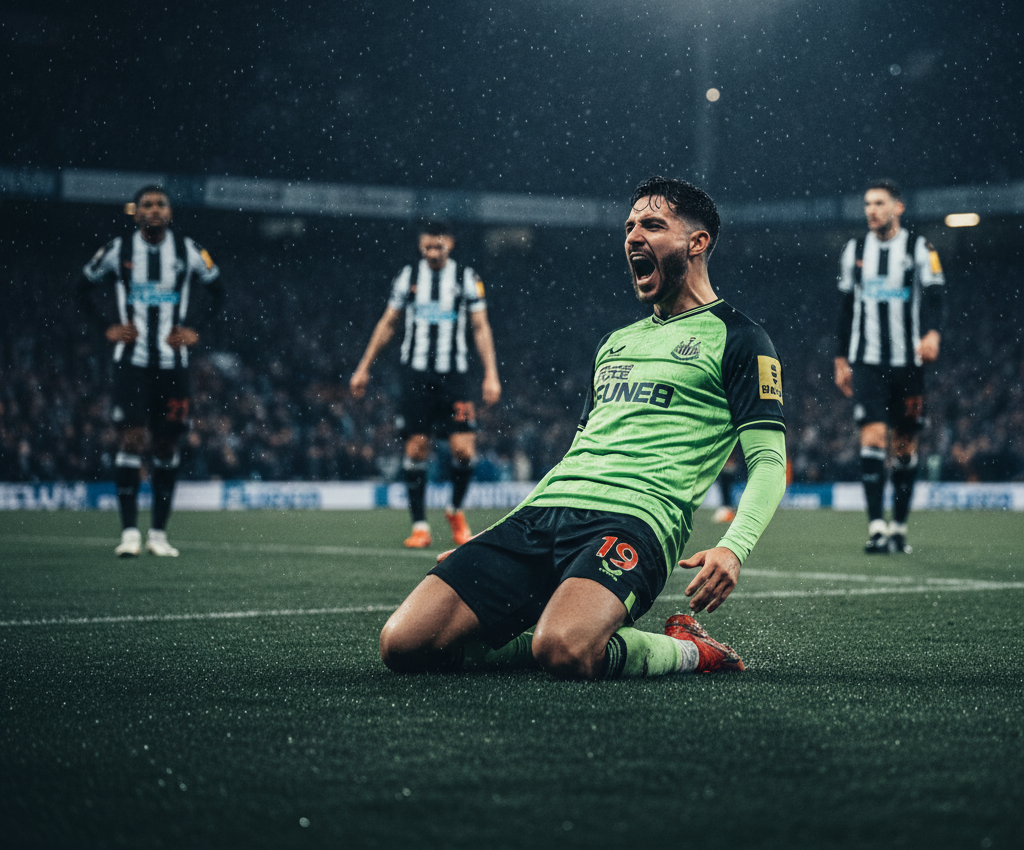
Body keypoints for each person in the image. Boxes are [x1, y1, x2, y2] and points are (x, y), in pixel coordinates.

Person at [378, 176, 788, 681]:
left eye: (652, 225)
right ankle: (547, 631)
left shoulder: (741, 338)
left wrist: (733, 547)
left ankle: (690, 649)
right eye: (629, 226)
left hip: (634, 521)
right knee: (404, 645)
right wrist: (501, 528)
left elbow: (769, 462)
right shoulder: (614, 343)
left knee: (565, 649)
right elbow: (577, 453)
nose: (633, 236)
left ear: (697, 242)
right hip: (543, 514)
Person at [79, 186, 224, 557]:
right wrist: (106, 327)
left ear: (169, 213)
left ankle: (158, 534)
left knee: (165, 445)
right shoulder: (118, 250)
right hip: (132, 363)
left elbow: (219, 291)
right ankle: (129, 532)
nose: (155, 210)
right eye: (147, 205)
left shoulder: (188, 251)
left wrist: (195, 329)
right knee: (131, 440)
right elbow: (82, 288)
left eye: (161, 204)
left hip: (173, 366)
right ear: (137, 213)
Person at [349, 221, 502, 548]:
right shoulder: (408, 277)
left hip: (455, 377)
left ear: (450, 244)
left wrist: (491, 373)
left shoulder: (467, 278)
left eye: (438, 247)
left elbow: (480, 326)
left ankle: (455, 510)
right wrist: (363, 367)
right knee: (416, 448)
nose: (433, 253)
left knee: (464, 450)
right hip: (416, 375)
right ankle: (420, 526)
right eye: (427, 247)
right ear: (421, 247)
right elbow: (389, 322)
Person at [834, 180, 945, 554]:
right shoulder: (854, 250)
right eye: (868, 203)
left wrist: (932, 333)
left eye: (879, 203)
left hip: (908, 364)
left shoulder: (920, 248)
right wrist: (840, 358)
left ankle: (898, 527)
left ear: (898, 207)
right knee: (871, 438)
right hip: (867, 361)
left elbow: (936, 297)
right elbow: (845, 308)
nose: (872, 210)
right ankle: (876, 528)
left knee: (905, 446)